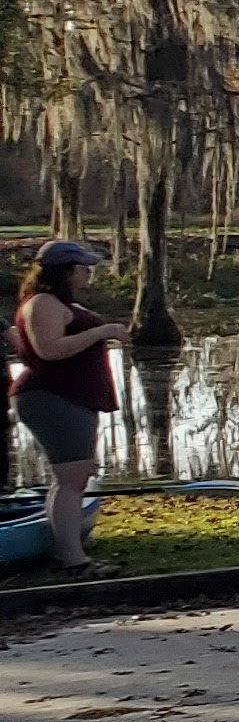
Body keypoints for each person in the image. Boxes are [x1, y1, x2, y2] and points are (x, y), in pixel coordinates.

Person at [11, 240, 126, 575]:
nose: (88, 272)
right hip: (53, 397)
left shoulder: (60, 303)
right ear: (66, 271)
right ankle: (75, 561)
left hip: (72, 396)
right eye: (83, 267)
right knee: (72, 478)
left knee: (70, 478)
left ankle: (65, 552)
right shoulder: (43, 303)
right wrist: (104, 331)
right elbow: (49, 350)